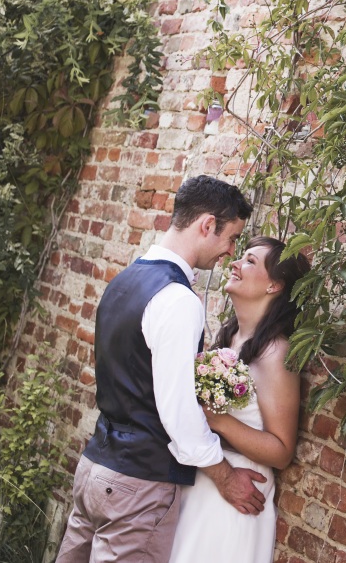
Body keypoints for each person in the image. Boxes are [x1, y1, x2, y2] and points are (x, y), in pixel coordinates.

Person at [56, 175, 267, 563]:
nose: (229, 251)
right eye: (231, 237)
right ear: (207, 224)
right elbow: (179, 412)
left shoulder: (125, 280)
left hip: (95, 467)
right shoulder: (177, 299)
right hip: (136, 485)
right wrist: (224, 477)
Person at [168, 236, 310, 563]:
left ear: (274, 285)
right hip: (204, 480)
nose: (234, 263)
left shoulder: (277, 354)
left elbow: (282, 451)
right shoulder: (229, 336)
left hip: (238, 497)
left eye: (249, 261)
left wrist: (218, 420)